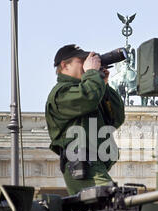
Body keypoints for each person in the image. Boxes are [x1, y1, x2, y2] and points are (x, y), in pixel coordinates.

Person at [45, 44, 125, 195]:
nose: (87, 64)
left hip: (96, 163)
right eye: (81, 61)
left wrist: (105, 84)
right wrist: (93, 75)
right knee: (115, 201)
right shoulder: (61, 92)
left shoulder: (91, 88)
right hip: (82, 163)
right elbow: (88, 97)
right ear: (64, 65)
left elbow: (116, 118)